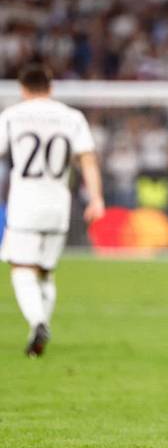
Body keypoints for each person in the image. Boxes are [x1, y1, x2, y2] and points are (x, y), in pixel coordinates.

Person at [0, 63, 105, 356]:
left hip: (24, 204)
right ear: (51, 87)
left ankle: (38, 323)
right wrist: (96, 198)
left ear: (22, 89)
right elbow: (87, 160)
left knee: (22, 268)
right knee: (45, 272)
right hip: (58, 204)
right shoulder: (72, 117)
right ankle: (39, 334)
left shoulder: (11, 116)